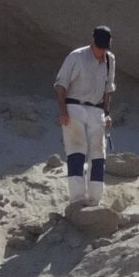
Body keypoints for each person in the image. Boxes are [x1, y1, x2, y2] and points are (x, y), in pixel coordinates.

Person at [54, 25, 117, 206]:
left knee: (99, 153)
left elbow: (108, 89)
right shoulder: (77, 56)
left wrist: (107, 112)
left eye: (105, 47)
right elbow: (60, 85)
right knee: (76, 150)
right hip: (74, 106)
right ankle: (77, 198)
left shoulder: (110, 60)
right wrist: (63, 110)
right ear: (92, 41)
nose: (101, 51)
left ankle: (95, 199)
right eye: (99, 47)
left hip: (97, 110)